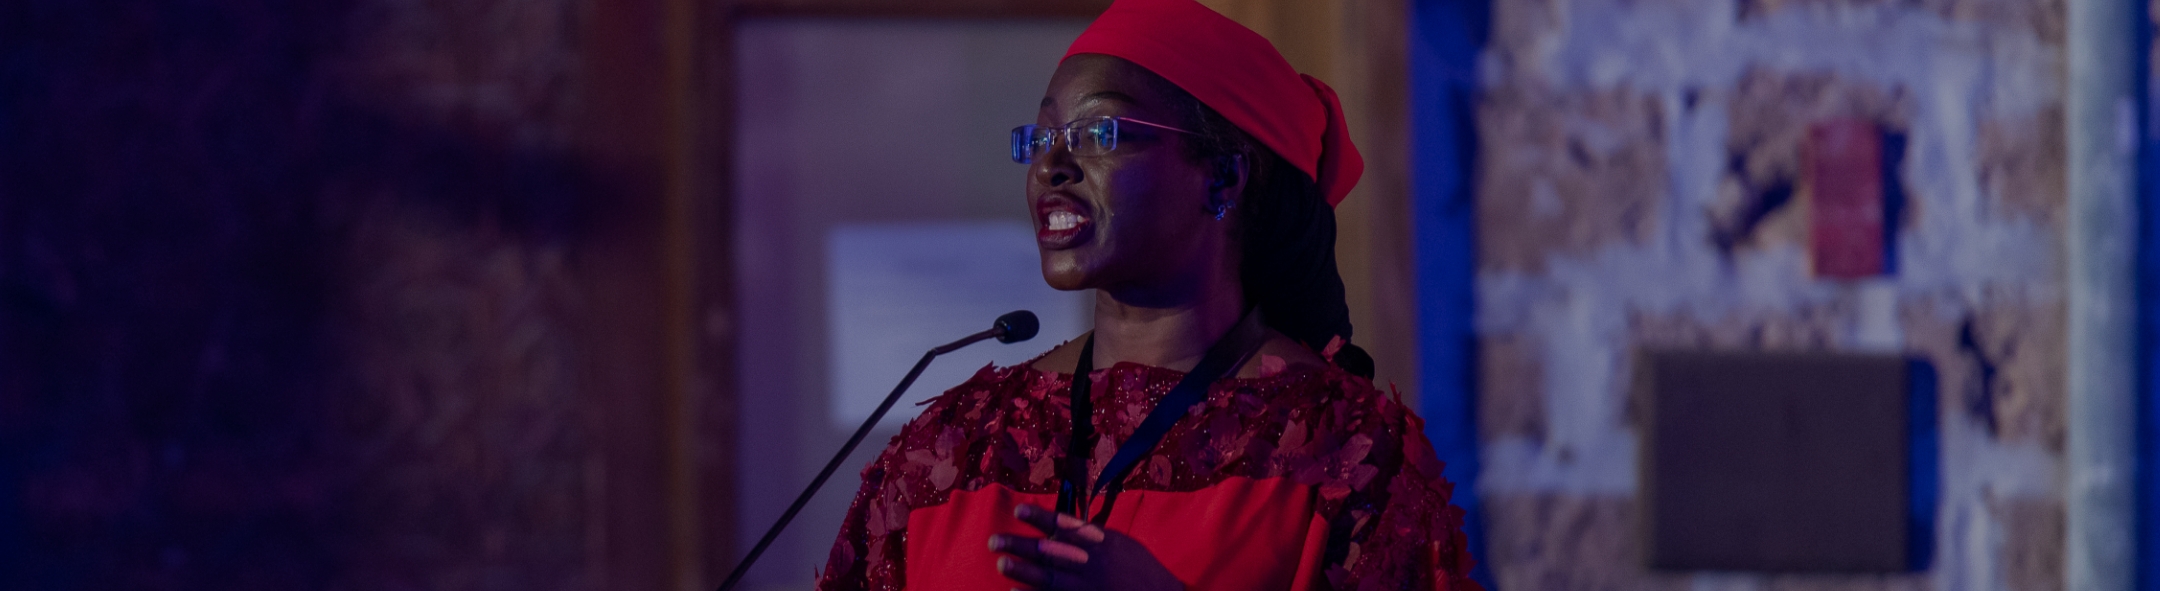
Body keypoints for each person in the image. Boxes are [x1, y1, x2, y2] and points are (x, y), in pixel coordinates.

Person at [815, 0, 1480, 589]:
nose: (1051, 165)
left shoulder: (1345, 452)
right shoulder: (954, 446)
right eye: (1042, 138)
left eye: (1099, 134)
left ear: (1223, 178)